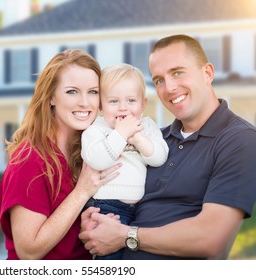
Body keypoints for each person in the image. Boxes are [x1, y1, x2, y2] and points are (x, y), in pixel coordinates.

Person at [79, 34, 256, 259]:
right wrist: (95, 222)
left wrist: (125, 235)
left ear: (207, 73)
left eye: (178, 72)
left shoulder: (239, 140)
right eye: (159, 80)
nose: (169, 87)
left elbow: (212, 240)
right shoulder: (154, 139)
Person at [0, 49, 121, 260]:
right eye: (72, 91)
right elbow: (28, 250)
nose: (85, 102)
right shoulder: (29, 160)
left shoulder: (91, 151)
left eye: (93, 91)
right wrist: (81, 192)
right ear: (51, 96)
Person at [81, 63, 168, 259]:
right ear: (101, 106)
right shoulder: (96, 129)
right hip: (106, 207)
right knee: (111, 259)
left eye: (131, 100)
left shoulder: (146, 127)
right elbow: (96, 160)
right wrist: (120, 134)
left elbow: (159, 158)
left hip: (140, 209)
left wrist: (137, 138)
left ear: (143, 104)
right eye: (113, 101)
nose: (123, 107)